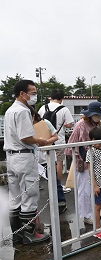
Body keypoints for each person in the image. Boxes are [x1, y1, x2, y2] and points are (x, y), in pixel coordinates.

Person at [4, 79, 49, 244]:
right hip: (24, 156)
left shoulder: (10, 110)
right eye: (33, 93)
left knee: (15, 197)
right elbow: (26, 137)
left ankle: (17, 235)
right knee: (30, 195)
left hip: (11, 156)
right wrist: (41, 141)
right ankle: (30, 235)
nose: (35, 96)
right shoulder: (22, 111)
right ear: (22, 94)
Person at [65, 102, 101, 225]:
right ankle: (86, 215)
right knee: (84, 189)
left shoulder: (95, 124)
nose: (99, 118)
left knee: (95, 189)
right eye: (97, 115)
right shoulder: (81, 125)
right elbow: (73, 144)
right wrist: (84, 157)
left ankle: (94, 212)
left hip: (96, 161)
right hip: (84, 161)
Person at [32, 108, 68, 214]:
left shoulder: (45, 123)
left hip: (46, 157)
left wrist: (45, 142)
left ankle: (61, 201)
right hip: (31, 158)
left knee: (54, 181)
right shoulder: (24, 126)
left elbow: (55, 136)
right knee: (31, 185)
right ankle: (32, 209)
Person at [38, 89, 74, 194]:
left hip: (45, 140)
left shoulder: (42, 108)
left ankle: (49, 184)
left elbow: (39, 122)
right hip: (59, 140)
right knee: (59, 162)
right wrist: (63, 124)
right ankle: (58, 186)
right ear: (62, 99)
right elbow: (70, 124)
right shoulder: (64, 109)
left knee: (48, 163)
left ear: (50, 97)